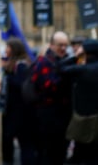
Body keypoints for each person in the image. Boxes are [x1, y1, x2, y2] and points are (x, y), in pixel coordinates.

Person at [63, 39, 98, 164]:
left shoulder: (81, 70)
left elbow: (61, 68)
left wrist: (76, 55)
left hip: (86, 121)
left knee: (84, 156)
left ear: (85, 53)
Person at [30, 31, 74, 165]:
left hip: (63, 114)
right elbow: (47, 87)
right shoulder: (44, 62)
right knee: (48, 153)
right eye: (60, 45)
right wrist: (65, 76)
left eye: (65, 45)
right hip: (48, 115)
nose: (63, 48)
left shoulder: (66, 61)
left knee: (61, 152)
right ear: (52, 45)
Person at [0, 37, 37, 165]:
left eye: (8, 47)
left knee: (25, 144)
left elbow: (21, 84)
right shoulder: (14, 65)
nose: (6, 50)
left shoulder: (21, 65)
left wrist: (7, 78)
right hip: (15, 111)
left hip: (22, 113)